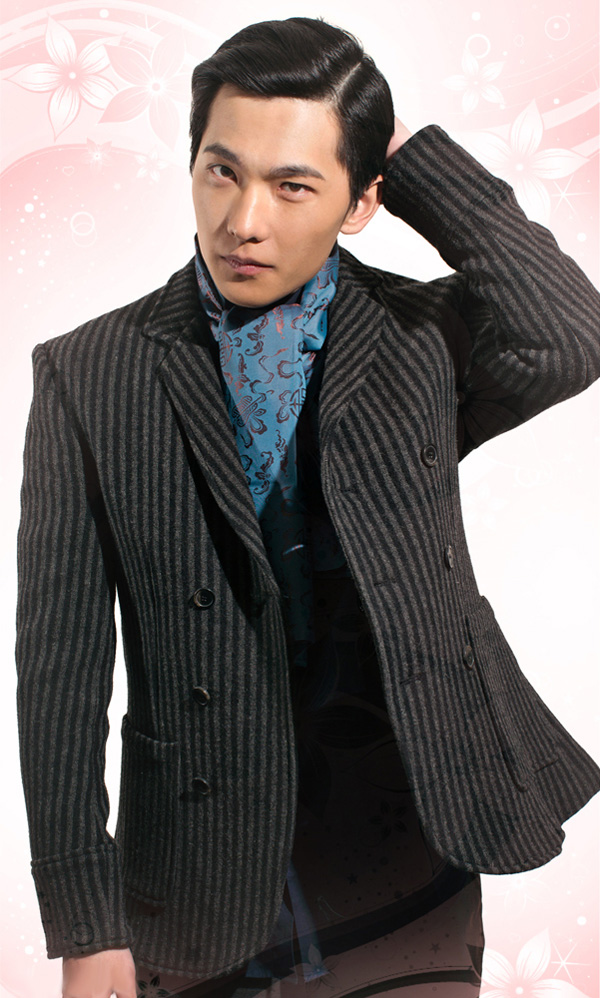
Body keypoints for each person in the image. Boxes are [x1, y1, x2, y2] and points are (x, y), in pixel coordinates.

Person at [15, 15, 600, 998]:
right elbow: (59, 672)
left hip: (405, 843)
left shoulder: (421, 341)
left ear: (362, 198)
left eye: (292, 185)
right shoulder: (90, 371)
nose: (244, 220)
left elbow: (568, 335)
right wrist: (86, 921)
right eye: (221, 171)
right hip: (198, 873)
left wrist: (413, 159)